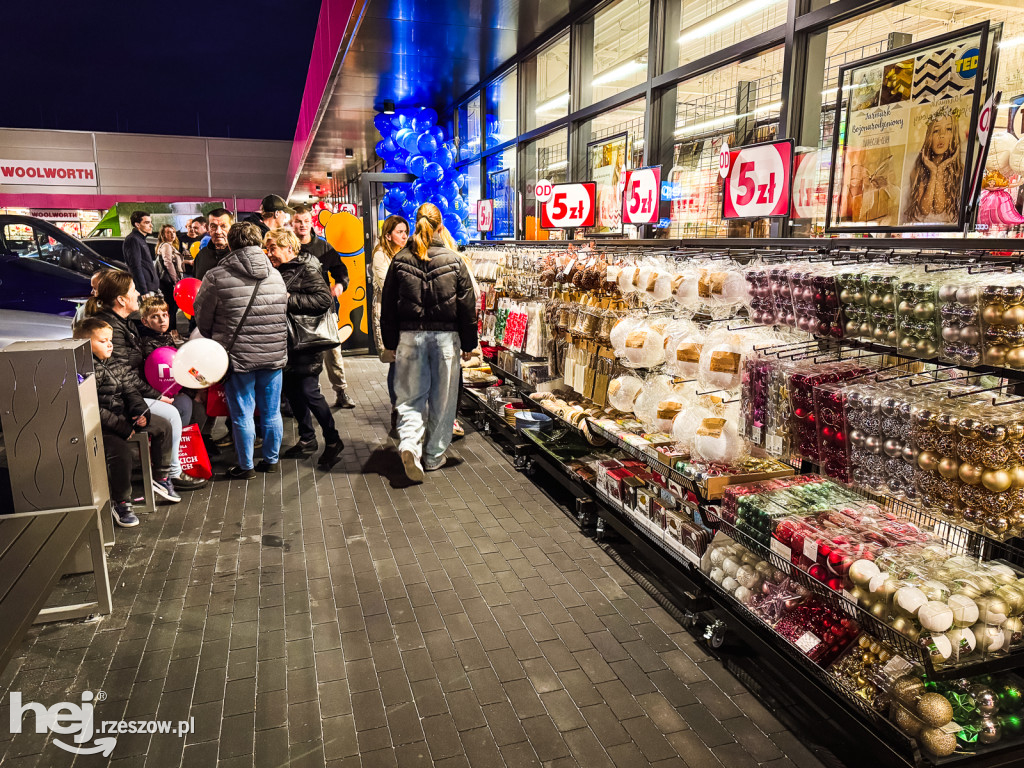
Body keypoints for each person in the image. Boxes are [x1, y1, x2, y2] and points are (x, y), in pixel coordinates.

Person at [380, 203, 478, 482]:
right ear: (441, 227)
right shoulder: (455, 261)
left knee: (410, 399)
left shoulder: (399, 260)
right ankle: (433, 457)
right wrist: (469, 344)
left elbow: (388, 308)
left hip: (409, 337)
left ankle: (409, 445)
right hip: (447, 340)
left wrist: (390, 344)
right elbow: (467, 308)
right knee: (443, 402)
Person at [85, 271, 205, 496]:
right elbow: (120, 373)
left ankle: (165, 472)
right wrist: (155, 396)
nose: (138, 294)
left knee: (180, 408)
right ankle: (171, 473)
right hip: (118, 401)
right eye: (133, 290)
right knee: (170, 414)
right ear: (121, 299)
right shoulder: (111, 326)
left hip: (129, 394)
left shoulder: (121, 323)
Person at [194, 222, 289, 479]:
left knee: (242, 413)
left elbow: (202, 319)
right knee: (271, 411)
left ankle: (246, 466)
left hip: (237, 357)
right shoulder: (276, 275)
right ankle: (271, 460)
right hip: (272, 355)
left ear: (231, 244)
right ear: (259, 242)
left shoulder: (216, 276)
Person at [74, 317, 175, 527]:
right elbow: (92, 407)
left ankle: (161, 477)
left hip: (123, 418)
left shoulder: (115, 363)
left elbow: (131, 392)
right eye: (103, 341)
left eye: (110, 340)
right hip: (101, 426)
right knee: (121, 453)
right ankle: (121, 501)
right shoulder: (83, 371)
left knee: (163, 425)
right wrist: (121, 427)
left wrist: (140, 413)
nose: (110, 344)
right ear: (86, 344)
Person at [265, 228, 345, 469]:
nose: (269, 253)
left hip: (306, 342)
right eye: (267, 249)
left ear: (289, 248)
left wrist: (288, 299)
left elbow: (323, 300)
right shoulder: (276, 270)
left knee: (310, 392)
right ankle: (307, 438)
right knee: (293, 392)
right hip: (286, 342)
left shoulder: (307, 267)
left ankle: (333, 440)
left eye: (273, 248)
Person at [291, 204, 356, 409]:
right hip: (296, 311)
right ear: (292, 224)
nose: (302, 225)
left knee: (333, 353)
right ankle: (310, 397)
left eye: (306, 221)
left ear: (312, 223)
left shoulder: (324, 248)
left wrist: (339, 285)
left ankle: (341, 392)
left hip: (324, 311)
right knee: (303, 358)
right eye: (298, 222)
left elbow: (340, 270)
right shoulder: (287, 247)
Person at [370, 215, 409, 429]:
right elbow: (388, 286)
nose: (404, 236)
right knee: (395, 361)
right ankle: (396, 408)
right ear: (388, 235)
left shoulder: (407, 253)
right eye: (399, 232)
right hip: (390, 315)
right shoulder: (381, 255)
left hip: (407, 315)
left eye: (405, 232)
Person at [904, 107, 964, 224]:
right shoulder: (919, 169)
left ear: (954, 136)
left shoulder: (958, 170)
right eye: (936, 130)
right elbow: (925, 209)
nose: (941, 135)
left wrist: (940, 170)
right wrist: (933, 172)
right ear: (929, 136)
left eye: (948, 129)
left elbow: (939, 207)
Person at [123, 210, 160, 299]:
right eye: (147, 223)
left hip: (150, 287)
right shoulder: (133, 239)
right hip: (145, 289)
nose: (151, 225)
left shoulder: (140, 239)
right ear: (137, 225)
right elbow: (136, 267)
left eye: (150, 222)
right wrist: (144, 291)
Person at [193, 208, 233, 281]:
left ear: (231, 228)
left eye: (223, 226)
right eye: (213, 226)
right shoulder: (201, 255)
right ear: (208, 228)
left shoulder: (239, 255)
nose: (218, 231)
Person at [156, 224, 185, 319]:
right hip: (168, 281)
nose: (172, 234)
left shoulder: (170, 246)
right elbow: (168, 262)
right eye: (168, 232)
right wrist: (175, 280)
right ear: (163, 235)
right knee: (172, 307)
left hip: (168, 281)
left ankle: (171, 329)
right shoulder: (166, 246)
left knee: (172, 307)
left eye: (173, 232)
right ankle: (172, 330)